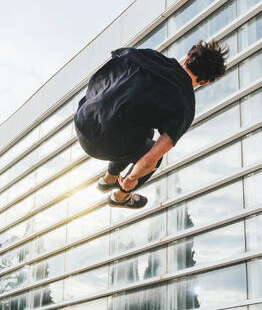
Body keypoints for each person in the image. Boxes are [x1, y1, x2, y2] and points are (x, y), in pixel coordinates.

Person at [74, 39, 228, 209]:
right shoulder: (185, 106)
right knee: (152, 148)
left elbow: (115, 61)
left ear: (186, 60)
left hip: (83, 120)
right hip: (101, 146)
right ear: (205, 81)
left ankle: (108, 179)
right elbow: (149, 161)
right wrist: (131, 179)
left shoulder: (150, 56)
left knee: (142, 130)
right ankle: (120, 196)